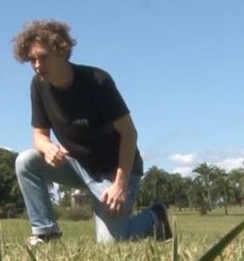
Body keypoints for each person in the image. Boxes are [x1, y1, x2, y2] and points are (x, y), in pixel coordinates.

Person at [12, 19, 171, 245]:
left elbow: (129, 133)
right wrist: (47, 147)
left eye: (43, 57)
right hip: (77, 164)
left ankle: (156, 217)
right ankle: (46, 233)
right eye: (32, 60)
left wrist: (120, 185)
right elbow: (39, 134)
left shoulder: (97, 81)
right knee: (26, 161)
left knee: (111, 245)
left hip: (114, 171)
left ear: (61, 50)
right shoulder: (38, 85)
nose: (37, 65)